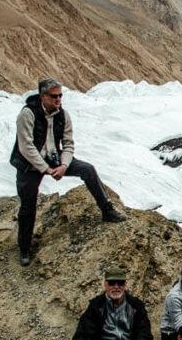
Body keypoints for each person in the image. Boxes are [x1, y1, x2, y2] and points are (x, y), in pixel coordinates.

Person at [9, 78, 125, 266]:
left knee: (87, 170)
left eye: (60, 96)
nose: (58, 100)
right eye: (54, 96)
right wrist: (45, 168)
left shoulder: (63, 115)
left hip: (55, 159)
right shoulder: (27, 114)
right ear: (42, 96)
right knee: (27, 205)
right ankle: (24, 247)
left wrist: (63, 165)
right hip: (29, 165)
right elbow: (26, 147)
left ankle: (107, 210)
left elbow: (68, 143)